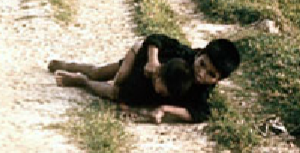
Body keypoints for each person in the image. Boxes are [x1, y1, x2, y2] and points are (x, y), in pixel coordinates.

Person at [48, 34, 241, 124]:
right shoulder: (183, 53)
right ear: (199, 54)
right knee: (99, 72)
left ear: (218, 80)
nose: (201, 74)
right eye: (202, 64)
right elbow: (155, 39)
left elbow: (200, 113)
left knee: (115, 93)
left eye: (211, 75)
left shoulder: (202, 90)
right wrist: (153, 61)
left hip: (145, 89)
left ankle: (80, 81)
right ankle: (67, 65)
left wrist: (165, 109)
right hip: (138, 62)